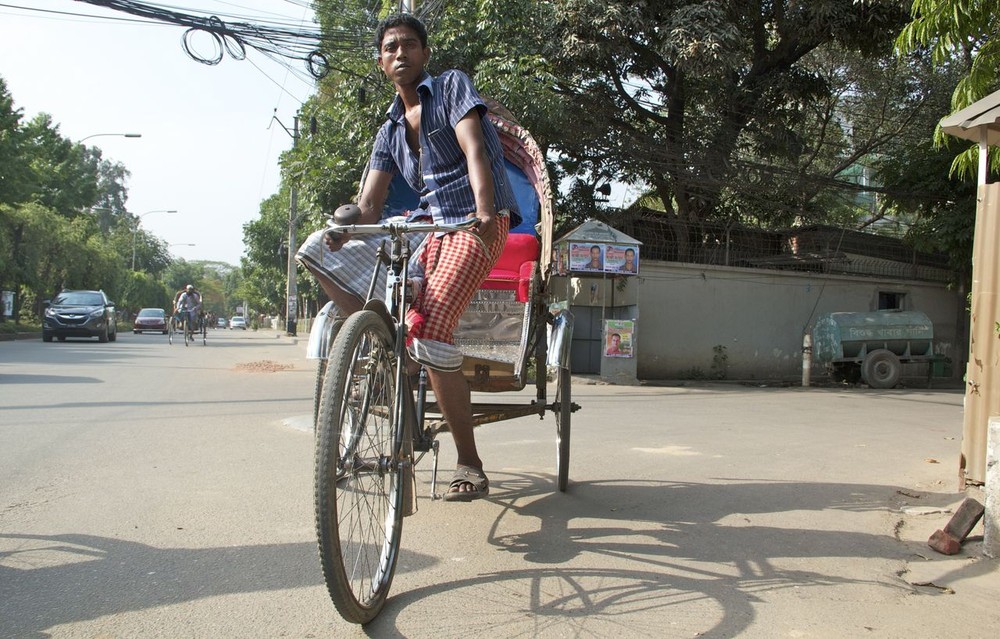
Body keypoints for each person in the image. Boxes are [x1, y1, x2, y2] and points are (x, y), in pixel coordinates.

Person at [312, 13, 521, 501]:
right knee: (315, 249)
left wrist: (486, 212)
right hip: (427, 227)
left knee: (431, 329)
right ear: (381, 62)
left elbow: (474, 151)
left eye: (409, 44)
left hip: (474, 221)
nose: (399, 52)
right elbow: (368, 204)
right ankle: (389, 344)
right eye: (390, 47)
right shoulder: (388, 129)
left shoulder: (450, 88)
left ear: (424, 54)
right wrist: (343, 230)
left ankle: (469, 462)